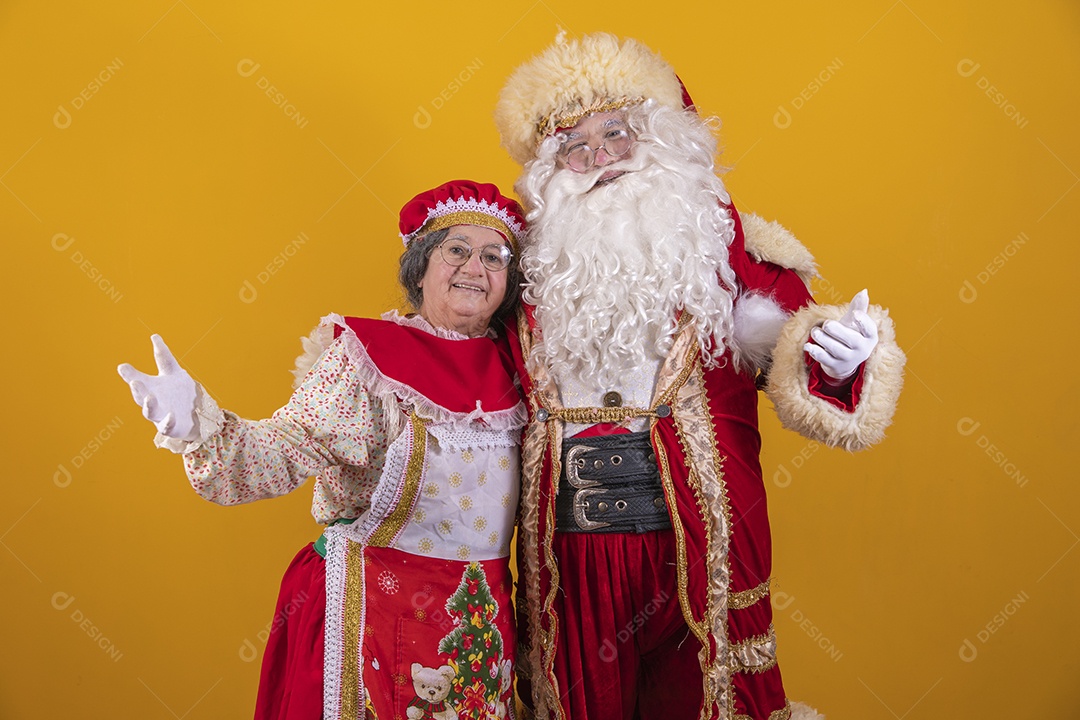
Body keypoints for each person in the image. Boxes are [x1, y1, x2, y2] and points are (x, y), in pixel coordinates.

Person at [493, 33, 906, 720]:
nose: (600, 160)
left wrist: (838, 358)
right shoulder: (524, 275)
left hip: (700, 539)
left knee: (709, 698)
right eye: (576, 146)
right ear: (550, 171)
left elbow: (808, 367)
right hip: (568, 553)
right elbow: (462, 375)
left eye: (617, 133)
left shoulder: (731, 251)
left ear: (661, 138)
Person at [117, 180, 528, 720]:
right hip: (363, 613)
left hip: (476, 625)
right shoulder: (370, 360)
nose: (474, 267)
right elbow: (284, 449)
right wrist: (198, 422)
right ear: (422, 266)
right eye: (457, 250)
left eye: (493, 256)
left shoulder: (523, 370)